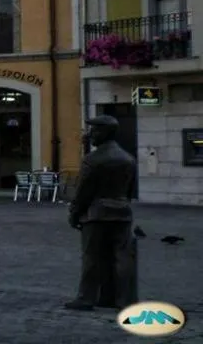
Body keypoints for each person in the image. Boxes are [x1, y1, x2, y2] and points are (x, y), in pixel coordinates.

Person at [64, 114, 137, 311]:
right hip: (122, 212)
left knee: (92, 257)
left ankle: (86, 298)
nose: (90, 134)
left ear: (104, 132)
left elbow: (83, 192)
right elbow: (130, 190)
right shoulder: (128, 158)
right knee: (122, 258)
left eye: (94, 130)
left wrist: (74, 213)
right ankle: (123, 299)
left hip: (96, 214)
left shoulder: (93, 160)